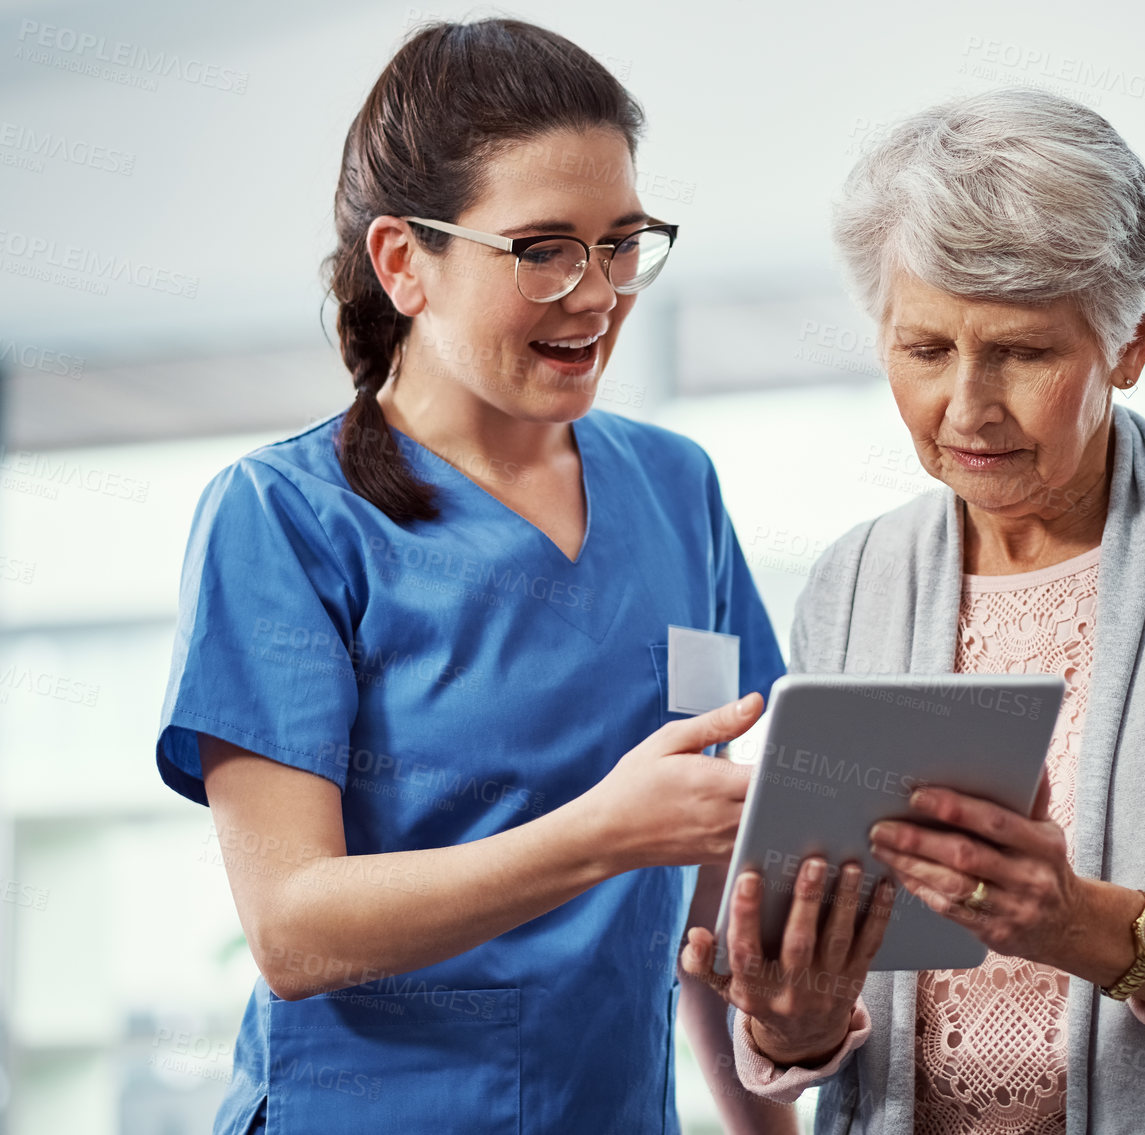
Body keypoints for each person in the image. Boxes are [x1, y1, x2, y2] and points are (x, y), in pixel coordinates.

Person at [680, 87, 1145, 1134]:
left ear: (1130, 342)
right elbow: (824, 1045)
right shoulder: (853, 580)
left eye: (1023, 352)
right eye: (925, 349)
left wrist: (1089, 926)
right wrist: (795, 1026)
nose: (967, 406)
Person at [155, 19, 794, 1135]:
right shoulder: (284, 520)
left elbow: (706, 878)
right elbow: (294, 930)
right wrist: (601, 831)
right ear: (405, 261)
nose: (595, 294)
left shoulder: (674, 490)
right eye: (542, 249)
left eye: (622, 242)